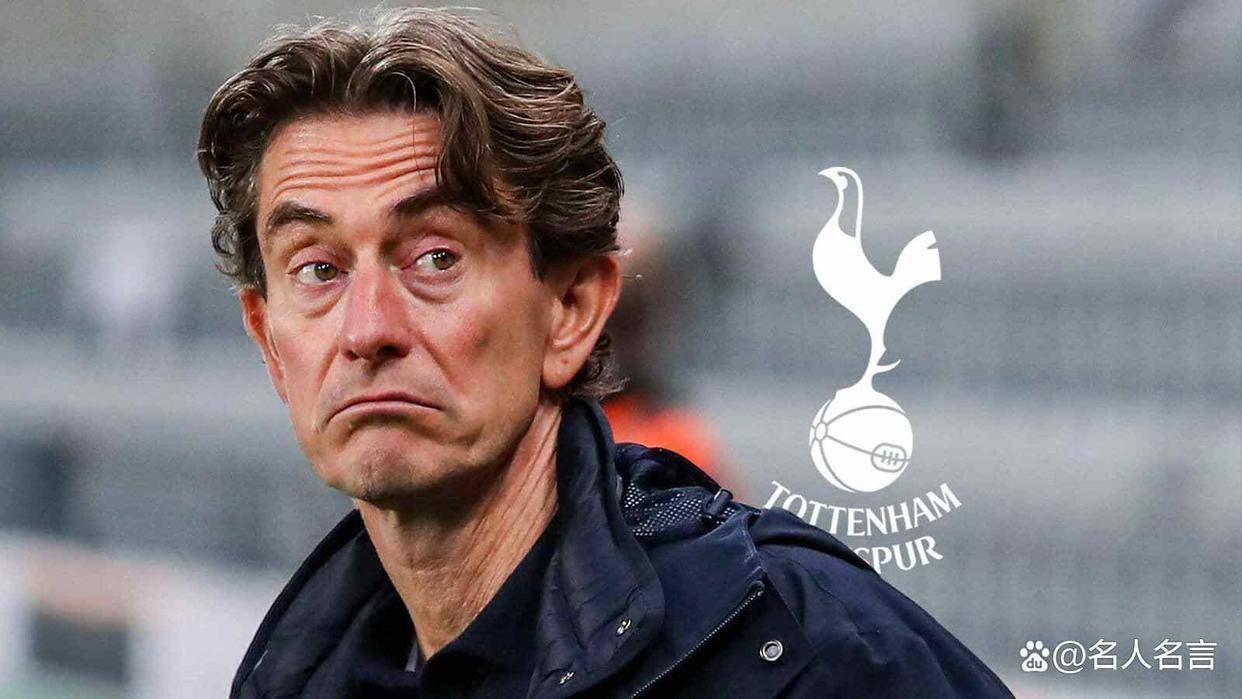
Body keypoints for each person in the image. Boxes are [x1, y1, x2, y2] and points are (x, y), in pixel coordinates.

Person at [197, 9, 1012, 698]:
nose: (367, 328)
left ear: (572, 310)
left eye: (436, 257)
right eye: (318, 268)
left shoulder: (806, 646)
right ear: (269, 341)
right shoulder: (297, 675)